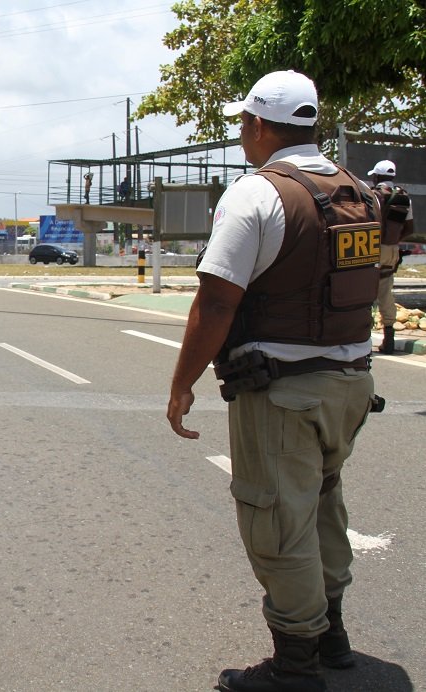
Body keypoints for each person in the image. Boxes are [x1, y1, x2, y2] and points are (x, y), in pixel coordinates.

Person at [166, 71, 379, 692]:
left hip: (283, 393)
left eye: (242, 124)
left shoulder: (255, 195)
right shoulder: (356, 190)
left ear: (260, 126)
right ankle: (332, 634)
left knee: (277, 522)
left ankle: (296, 666)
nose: (240, 134)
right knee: (321, 506)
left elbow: (216, 302)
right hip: (351, 385)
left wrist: (183, 384)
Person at [365, 159, 415, 354]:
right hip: (391, 249)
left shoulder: (373, 196)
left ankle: (361, 337)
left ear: (377, 177)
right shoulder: (404, 197)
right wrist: (392, 241)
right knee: (385, 291)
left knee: (364, 290)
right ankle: (389, 336)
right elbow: (410, 228)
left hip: (372, 249)